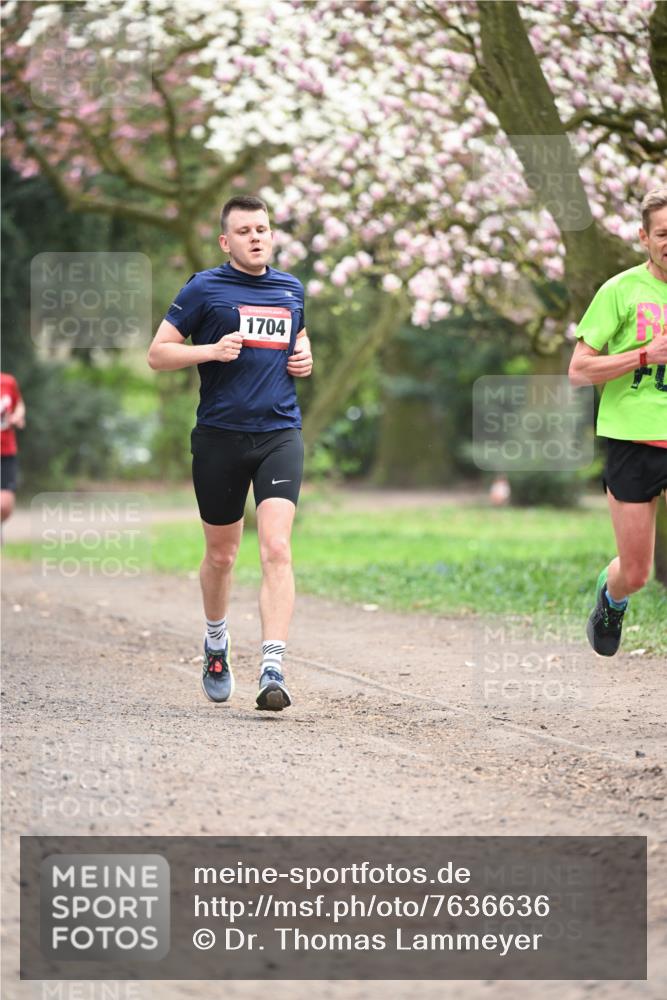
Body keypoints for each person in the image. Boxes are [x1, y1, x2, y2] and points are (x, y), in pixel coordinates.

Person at [148, 195, 313, 709]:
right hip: (220, 436)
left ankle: (272, 667)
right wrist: (210, 350)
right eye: (244, 231)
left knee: (277, 549)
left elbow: (297, 337)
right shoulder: (204, 288)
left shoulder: (291, 288)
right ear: (226, 241)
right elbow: (158, 354)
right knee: (221, 555)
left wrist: (306, 355)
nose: (256, 237)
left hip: (279, 434)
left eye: (262, 228)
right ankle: (216, 643)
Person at [568, 188, 667, 656]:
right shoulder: (621, 291)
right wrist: (646, 354)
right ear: (644, 237)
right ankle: (612, 599)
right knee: (636, 573)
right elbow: (579, 370)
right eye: (663, 233)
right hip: (633, 440)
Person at [1, 371, 26, 527]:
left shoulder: (8, 381)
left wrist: (17, 416)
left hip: (5, 451)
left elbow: (19, 404)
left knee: (5, 506)